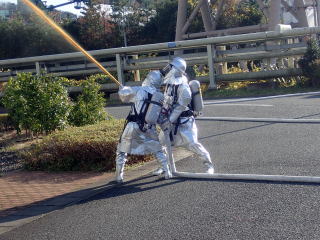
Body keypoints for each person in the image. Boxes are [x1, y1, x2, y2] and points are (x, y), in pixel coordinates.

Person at [155, 57, 214, 175]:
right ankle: (164, 165)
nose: (168, 69)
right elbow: (167, 102)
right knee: (160, 143)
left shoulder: (184, 87)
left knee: (193, 144)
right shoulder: (170, 84)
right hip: (170, 120)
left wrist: (169, 120)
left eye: (171, 67)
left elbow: (180, 107)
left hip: (184, 121)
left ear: (177, 69)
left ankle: (209, 165)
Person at [115, 70, 172, 183]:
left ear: (149, 79)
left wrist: (122, 88)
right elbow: (160, 116)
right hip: (149, 127)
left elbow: (124, 96)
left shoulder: (139, 90)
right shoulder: (160, 96)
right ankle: (167, 172)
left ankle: (119, 177)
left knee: (121, 151)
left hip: (133, 125)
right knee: (158, 150)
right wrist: (165, 126)